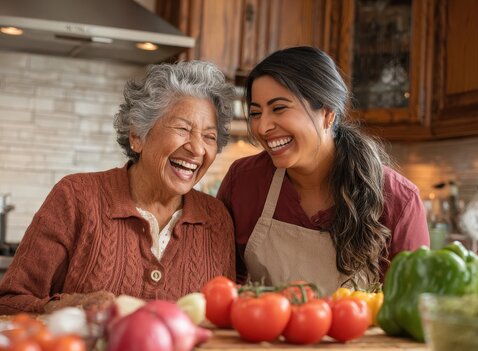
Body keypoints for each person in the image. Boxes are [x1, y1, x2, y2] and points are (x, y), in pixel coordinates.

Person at [0, 61, 236, 314]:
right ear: (137, 136)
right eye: (183, 128)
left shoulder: (216, 218)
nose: (198, 149)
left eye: (209, 137)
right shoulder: (76, 196)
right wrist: (64, 306)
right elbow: (9, 302)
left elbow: (225, 319)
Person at [217, 46, 430, 295]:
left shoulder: (398, 199)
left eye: (279, 108)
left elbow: (412, 306)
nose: (262, 127)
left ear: (328, 114)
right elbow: (224, 281)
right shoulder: (244, 181)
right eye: (255, 113)